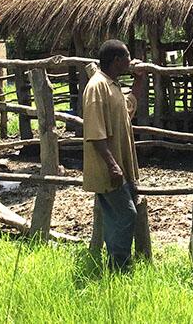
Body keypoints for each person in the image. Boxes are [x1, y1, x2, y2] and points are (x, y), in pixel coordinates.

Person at [82, 39, 148, 270]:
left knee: (114, 216)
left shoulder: (112, 85)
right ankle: (119, 267)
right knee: (126, 214)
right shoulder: (96, 87)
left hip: (117, 163)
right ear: (117, 60)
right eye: (128, 57)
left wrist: (140, 80)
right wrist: (112, 166)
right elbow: (94, 132)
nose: (131, 61)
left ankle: (115, 265)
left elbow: (128, 107)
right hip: (107, 166)